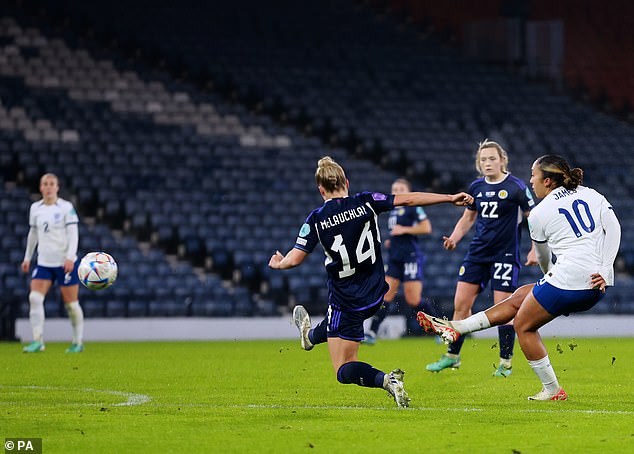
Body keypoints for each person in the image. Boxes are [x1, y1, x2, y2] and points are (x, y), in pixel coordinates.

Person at [268, 157, 472, 408]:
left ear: (321, 190)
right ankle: (309, 337)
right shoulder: (366, 201)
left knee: (343, 369)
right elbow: (407, 199)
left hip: (346, 300)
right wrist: (449, 197)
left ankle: (386, 380)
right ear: (347, 182)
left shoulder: (316, 219)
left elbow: (295, 259)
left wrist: (280, 263)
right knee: (336, 323)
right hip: (376, 294)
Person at [418, 154, 621, 400]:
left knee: (523, 326)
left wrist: (550, 281)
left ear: (547, 181)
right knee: (520, 297)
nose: (530, 180)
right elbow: (614, 227)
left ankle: (552, 390)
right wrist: (606, 270)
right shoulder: (591, 194)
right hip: (594, 282)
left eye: (533, 175)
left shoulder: (539, 213)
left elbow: (543, 259)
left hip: (567, 282)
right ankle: (455, 328)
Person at [426, 140, 536, 377]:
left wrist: (535, 248)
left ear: (502, 160)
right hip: (477, 253)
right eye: (483, 160)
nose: (487, 163)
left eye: (492, 159)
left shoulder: (516, 187)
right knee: (461, 305)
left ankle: (505, 362)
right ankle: (452, 357)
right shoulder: (476, 187)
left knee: (503, 308)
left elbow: (534, 218)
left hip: (505, 254)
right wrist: (455, 238)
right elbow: (468, 218)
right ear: (479, 163)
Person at [21, 173, 84, 353]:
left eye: (52, 184)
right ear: (41, 188)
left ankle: (77, 342)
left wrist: (70, 257)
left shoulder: (66, 207)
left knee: (71, 305)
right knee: (34, 298)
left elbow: (74, 234)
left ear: (57, 187)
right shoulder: (35, 208)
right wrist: (27, 258)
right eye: (45, 184)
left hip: (64, 263)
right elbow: (33, 235)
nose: (48, 187)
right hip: (44, 263)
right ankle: (38, 341)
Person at [364, 178, 432, 345]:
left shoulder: (413, 208)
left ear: (408, 192)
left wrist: (404, 230)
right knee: (385, 295)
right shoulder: (392, 210)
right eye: (395, 188)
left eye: (401, 188)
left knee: (413, 300)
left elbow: (426, 227)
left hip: (410, 257)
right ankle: (372, 332)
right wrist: (392, 241)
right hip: (394, 258)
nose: (397, 191)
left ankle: (439, 328)